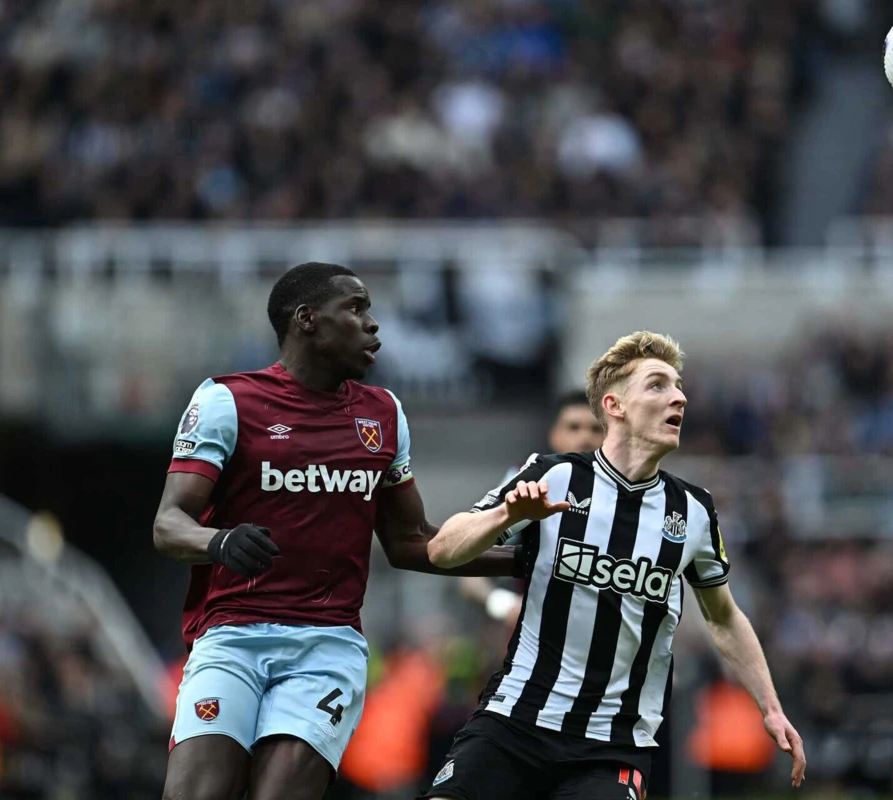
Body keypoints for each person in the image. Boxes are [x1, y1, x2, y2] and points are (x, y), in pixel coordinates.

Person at [153, 262, 525, 800]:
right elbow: (168, 524)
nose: (374, 324)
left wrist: (522, 560)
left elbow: (412, 542)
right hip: (232, 638)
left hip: (325, 648)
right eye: (356, 308)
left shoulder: (384, 415)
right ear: (307, 320)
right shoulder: (226, 402)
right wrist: (221, 542)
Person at [423, 331, 806, 800]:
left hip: (613, 746)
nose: (679, 397)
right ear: (615, 406)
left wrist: (770, 707)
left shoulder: (693, 511)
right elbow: (443, 550)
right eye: (658, 385)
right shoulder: (555, 474)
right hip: (514, 721)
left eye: (679, 386)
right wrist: (509, 515)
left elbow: (723, 616)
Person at [459, 391, 603, 625]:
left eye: (596, 429)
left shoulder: (629, 495)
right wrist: (505, 606)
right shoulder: (528, 483)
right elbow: (468, 560)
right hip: (536, 645)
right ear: (554, 435)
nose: (585, 438)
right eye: (573, 427)